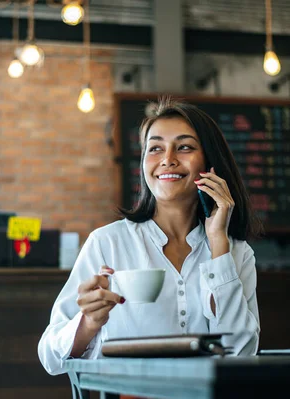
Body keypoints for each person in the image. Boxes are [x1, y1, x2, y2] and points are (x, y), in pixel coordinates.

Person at [38, 97, 262, 375]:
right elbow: (50, 355)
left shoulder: (236, 253)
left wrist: (218, 243)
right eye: (154, 148)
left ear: (210, 162)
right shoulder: (107, 243)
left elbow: (241, 354)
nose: (167, 159)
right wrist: (88, 323)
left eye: (184, 147)